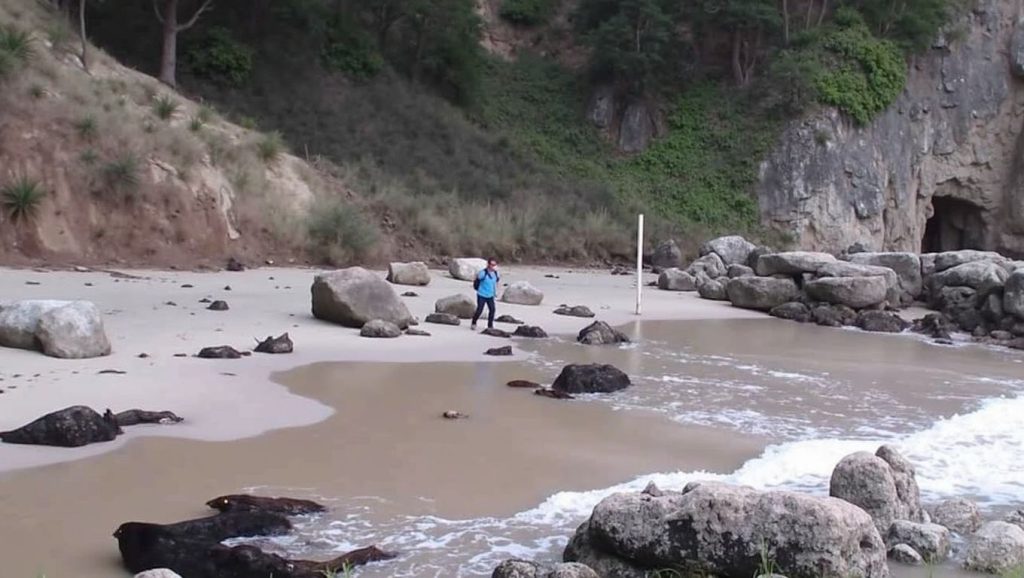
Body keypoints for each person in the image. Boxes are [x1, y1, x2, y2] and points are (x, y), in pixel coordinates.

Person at [471, 258, 499, 331]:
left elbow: (495, 283)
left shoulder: (495, 273)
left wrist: (495, 292)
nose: (493, 266)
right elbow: (477, 279)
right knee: (479, 310)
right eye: (492, 264)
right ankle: (474, 322)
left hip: (490, 295)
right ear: (488, 265)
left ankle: (490, 325)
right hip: (481, 294)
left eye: (495, 265)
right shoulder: (483, 273)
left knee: (492, 309)